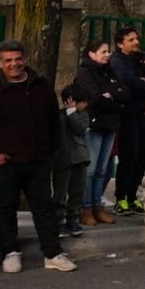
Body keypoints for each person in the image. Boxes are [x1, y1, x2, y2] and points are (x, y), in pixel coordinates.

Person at [0, 40, 77, 274]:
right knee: (6, 208)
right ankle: (10, 253)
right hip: (6, 163)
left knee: (44, 208)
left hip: (38, 160)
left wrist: (52, 150)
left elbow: (53, 119)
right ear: (0, 64)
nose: (13, 64)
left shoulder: (41, 85)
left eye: (17, 59)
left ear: (24, 59)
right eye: (8, 60)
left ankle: (52, 253)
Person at [109, 26, 145, 216]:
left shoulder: (141, 58)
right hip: (128, 115)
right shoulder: (117, 61)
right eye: (131, 40)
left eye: (137, 38)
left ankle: (132, 196)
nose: (136, 42)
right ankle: (121, 197)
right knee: (128, 157)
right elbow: (128, 81)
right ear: (121, 44)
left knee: (141, 158)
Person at [75, 39, 124, 226]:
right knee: (91, 169)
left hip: (110, 124)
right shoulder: (85, 73)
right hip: (94, 125)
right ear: (92, 54)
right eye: (103, 51)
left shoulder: (109, 71)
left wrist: (112, 95)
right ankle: (86, 208)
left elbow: (124, 93)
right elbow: (94, 99)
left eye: (108, 51)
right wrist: (113, 96)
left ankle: (97, 206)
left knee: (102, 170)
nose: (107, 54)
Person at [53, 84, 90, 239]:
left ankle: (72, 219)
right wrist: (68, 112)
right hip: (63, 159)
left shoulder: (83, 115)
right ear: (72, 101)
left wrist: (72, 113)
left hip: (80, 157)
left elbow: (79, 128)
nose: (86, 104)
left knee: (77, 191)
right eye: (83, 101)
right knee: (60, 192)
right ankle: (58, 221)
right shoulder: (58, 116)